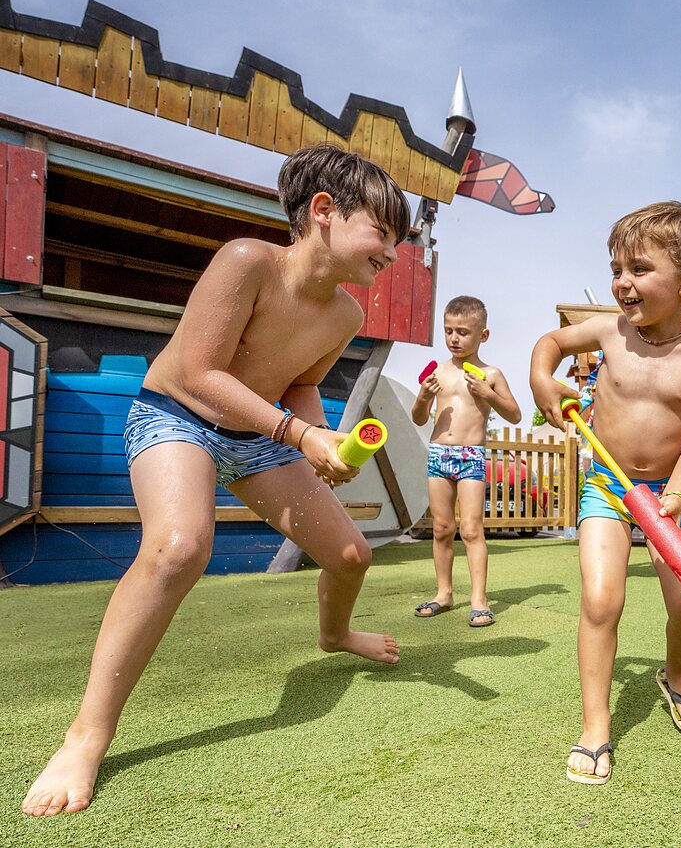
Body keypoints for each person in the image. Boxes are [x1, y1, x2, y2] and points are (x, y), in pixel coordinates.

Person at [22, 145, 411, 817]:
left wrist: (326, 441)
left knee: (352, 555)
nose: (394, 253)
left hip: (259, 438)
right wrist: (299, 435)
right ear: (324, 211)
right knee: (179, 547)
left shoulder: (346, 316)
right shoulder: (247, 261)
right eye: (383, 233)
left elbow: (303, 384)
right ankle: (85, 737)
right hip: (177, 416)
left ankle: (335, 635)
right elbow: (200, 374)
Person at [530, 201, 681, 785]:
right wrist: (543, 381)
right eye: (617, 268)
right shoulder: (608, 332)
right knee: (601, 601)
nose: (622, 281)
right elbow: (550, 343)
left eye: (639, 269)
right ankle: (596, 726)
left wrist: (677, 492)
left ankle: (677, 673)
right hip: (607, 487)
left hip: (669, 496)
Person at [411, 296, 522, 627]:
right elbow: (419, 418)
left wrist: (488, 395)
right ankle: (443, 593)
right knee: (442, 528)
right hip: (438, 454)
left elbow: (515, 415)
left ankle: (479, 600)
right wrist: (423, 397)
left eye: (463, 332)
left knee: (472, 529)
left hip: (470, 455)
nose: (454, 339)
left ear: (482, 335)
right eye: (448, 331)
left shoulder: (490, 374)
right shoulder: (439, 372)